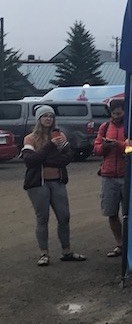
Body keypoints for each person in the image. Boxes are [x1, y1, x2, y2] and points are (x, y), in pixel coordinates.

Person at [21, 105, 86, 266]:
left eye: (51, 116)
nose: (48, 119)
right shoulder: (30, 138)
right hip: (38, 184)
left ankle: (67, 251)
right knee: (42, 218)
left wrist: (46, 160)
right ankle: (44, 253)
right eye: (44, 116)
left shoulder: (60, 135)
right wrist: (50, 146)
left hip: (57, 181)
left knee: (64, 216)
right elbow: (30, 161)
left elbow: (68, 157)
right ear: (39, 119)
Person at [93, 99, 126, 258]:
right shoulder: (105, 127)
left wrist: (118, 145)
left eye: (119, 113)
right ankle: (119, 243)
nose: (117, 116)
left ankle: (131, 243)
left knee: (129, 214)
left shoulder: (131, 127)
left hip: (127, 175)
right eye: (114, 113)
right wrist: (105, 146)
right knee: (111, 213)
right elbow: (97, 149)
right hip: (108, 175)